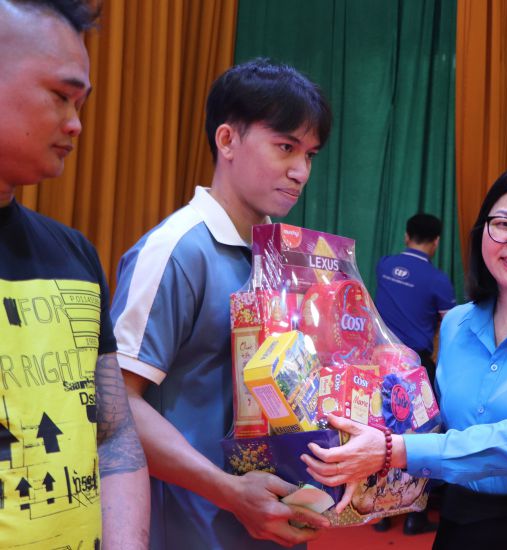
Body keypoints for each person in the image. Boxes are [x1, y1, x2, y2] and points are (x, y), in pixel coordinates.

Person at [302, 160, 507, 549]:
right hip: (461, 523)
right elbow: (440, 429)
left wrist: (390, 451)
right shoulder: (455, 324)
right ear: (482, 230)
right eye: (503, 224)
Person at [110, 60, 333, 549]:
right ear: (227, 140)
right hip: (187, 529)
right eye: (285, 147)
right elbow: (116, 405)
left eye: (310, 154)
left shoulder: (280, 258)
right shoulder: (177, 249)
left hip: (263, 525)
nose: (300, 172)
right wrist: (232, 493)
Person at [0, 1, 149, 548]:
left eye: (81, 102)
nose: (76, 123)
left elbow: (111, 435)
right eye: (61, 96)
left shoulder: (75, 255)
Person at [373, 213, 456, 535]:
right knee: (421, 438)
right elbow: (450, 328)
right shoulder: (438, 281)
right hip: (415, 368)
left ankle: (381, 511)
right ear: (436, 242)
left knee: (383, 434)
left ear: (407, 235)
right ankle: (414, 514)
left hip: (380, 364)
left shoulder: (383, 266)